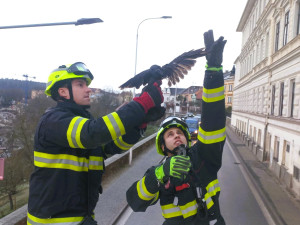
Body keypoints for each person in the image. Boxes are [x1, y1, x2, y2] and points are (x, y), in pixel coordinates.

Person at [26, 62, 165, 225]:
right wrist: (143, 102)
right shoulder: (53, 121)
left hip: (82, 219)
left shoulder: (84, 122)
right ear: (63, 92)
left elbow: (114, 146)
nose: (88, 89)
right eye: (80, 84)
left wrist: (138, 123)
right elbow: (93, 133)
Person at [126, 30, 227, 225]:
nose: (176, 136)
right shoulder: (158, 172)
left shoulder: (204, 157)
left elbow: (213, 122)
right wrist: (159, 174)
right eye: (170, 134)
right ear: (162, 145)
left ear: (187, 138)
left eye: (180, 132)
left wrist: (213, 72)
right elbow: (135, 201)